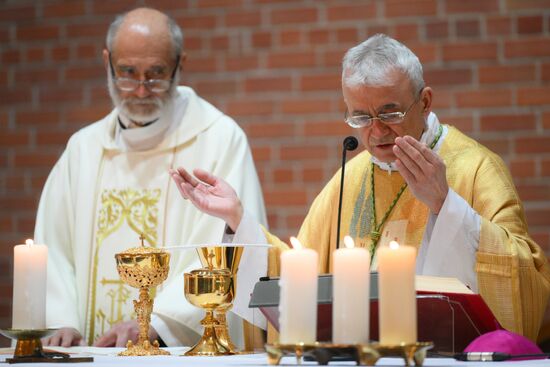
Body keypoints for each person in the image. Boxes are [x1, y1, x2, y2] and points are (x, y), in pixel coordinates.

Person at [171, 34, 550, 341]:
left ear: (426, 101)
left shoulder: (475, 168)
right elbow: (300, 272)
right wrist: (237, 218)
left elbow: (523, 280)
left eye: (390, 112)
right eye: (361, 117)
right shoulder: (351, 177)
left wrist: (446, 206)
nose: (377, 130)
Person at [36, 7, 268, 348]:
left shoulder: (218, 138)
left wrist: (156, 323)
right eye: (127, 73)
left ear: (179, 64)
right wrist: (62, 321)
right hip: (92, 351)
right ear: (107, 62)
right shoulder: (83, 149)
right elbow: (52, 250)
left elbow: (226, 250)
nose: (141, 90)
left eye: (156, 75)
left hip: (175, 349)